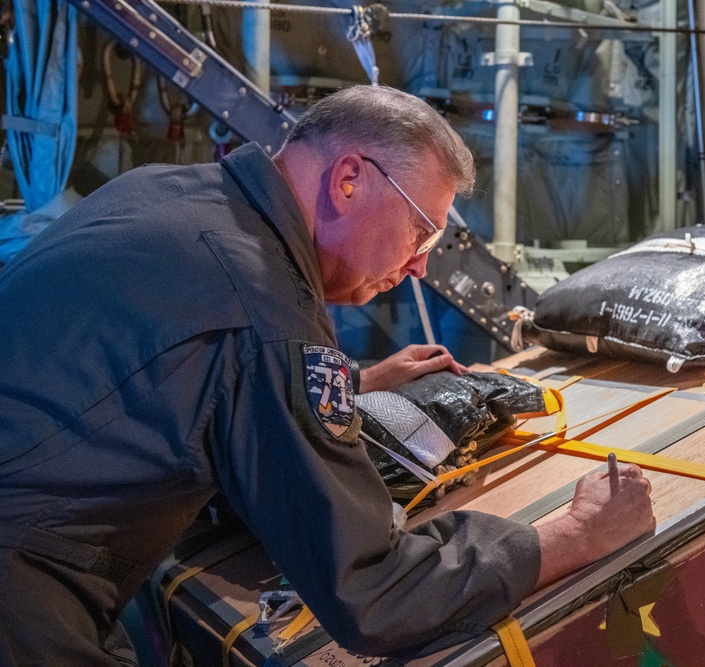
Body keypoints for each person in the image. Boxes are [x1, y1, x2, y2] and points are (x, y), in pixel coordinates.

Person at [0, 85, 654, 664]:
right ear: (349, 180)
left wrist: (350, 381)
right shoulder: (264, 312)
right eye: (421, 232)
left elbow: (164, 361)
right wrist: (575, 533)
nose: (420, 266)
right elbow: (370, 589)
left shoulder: (170, 194)